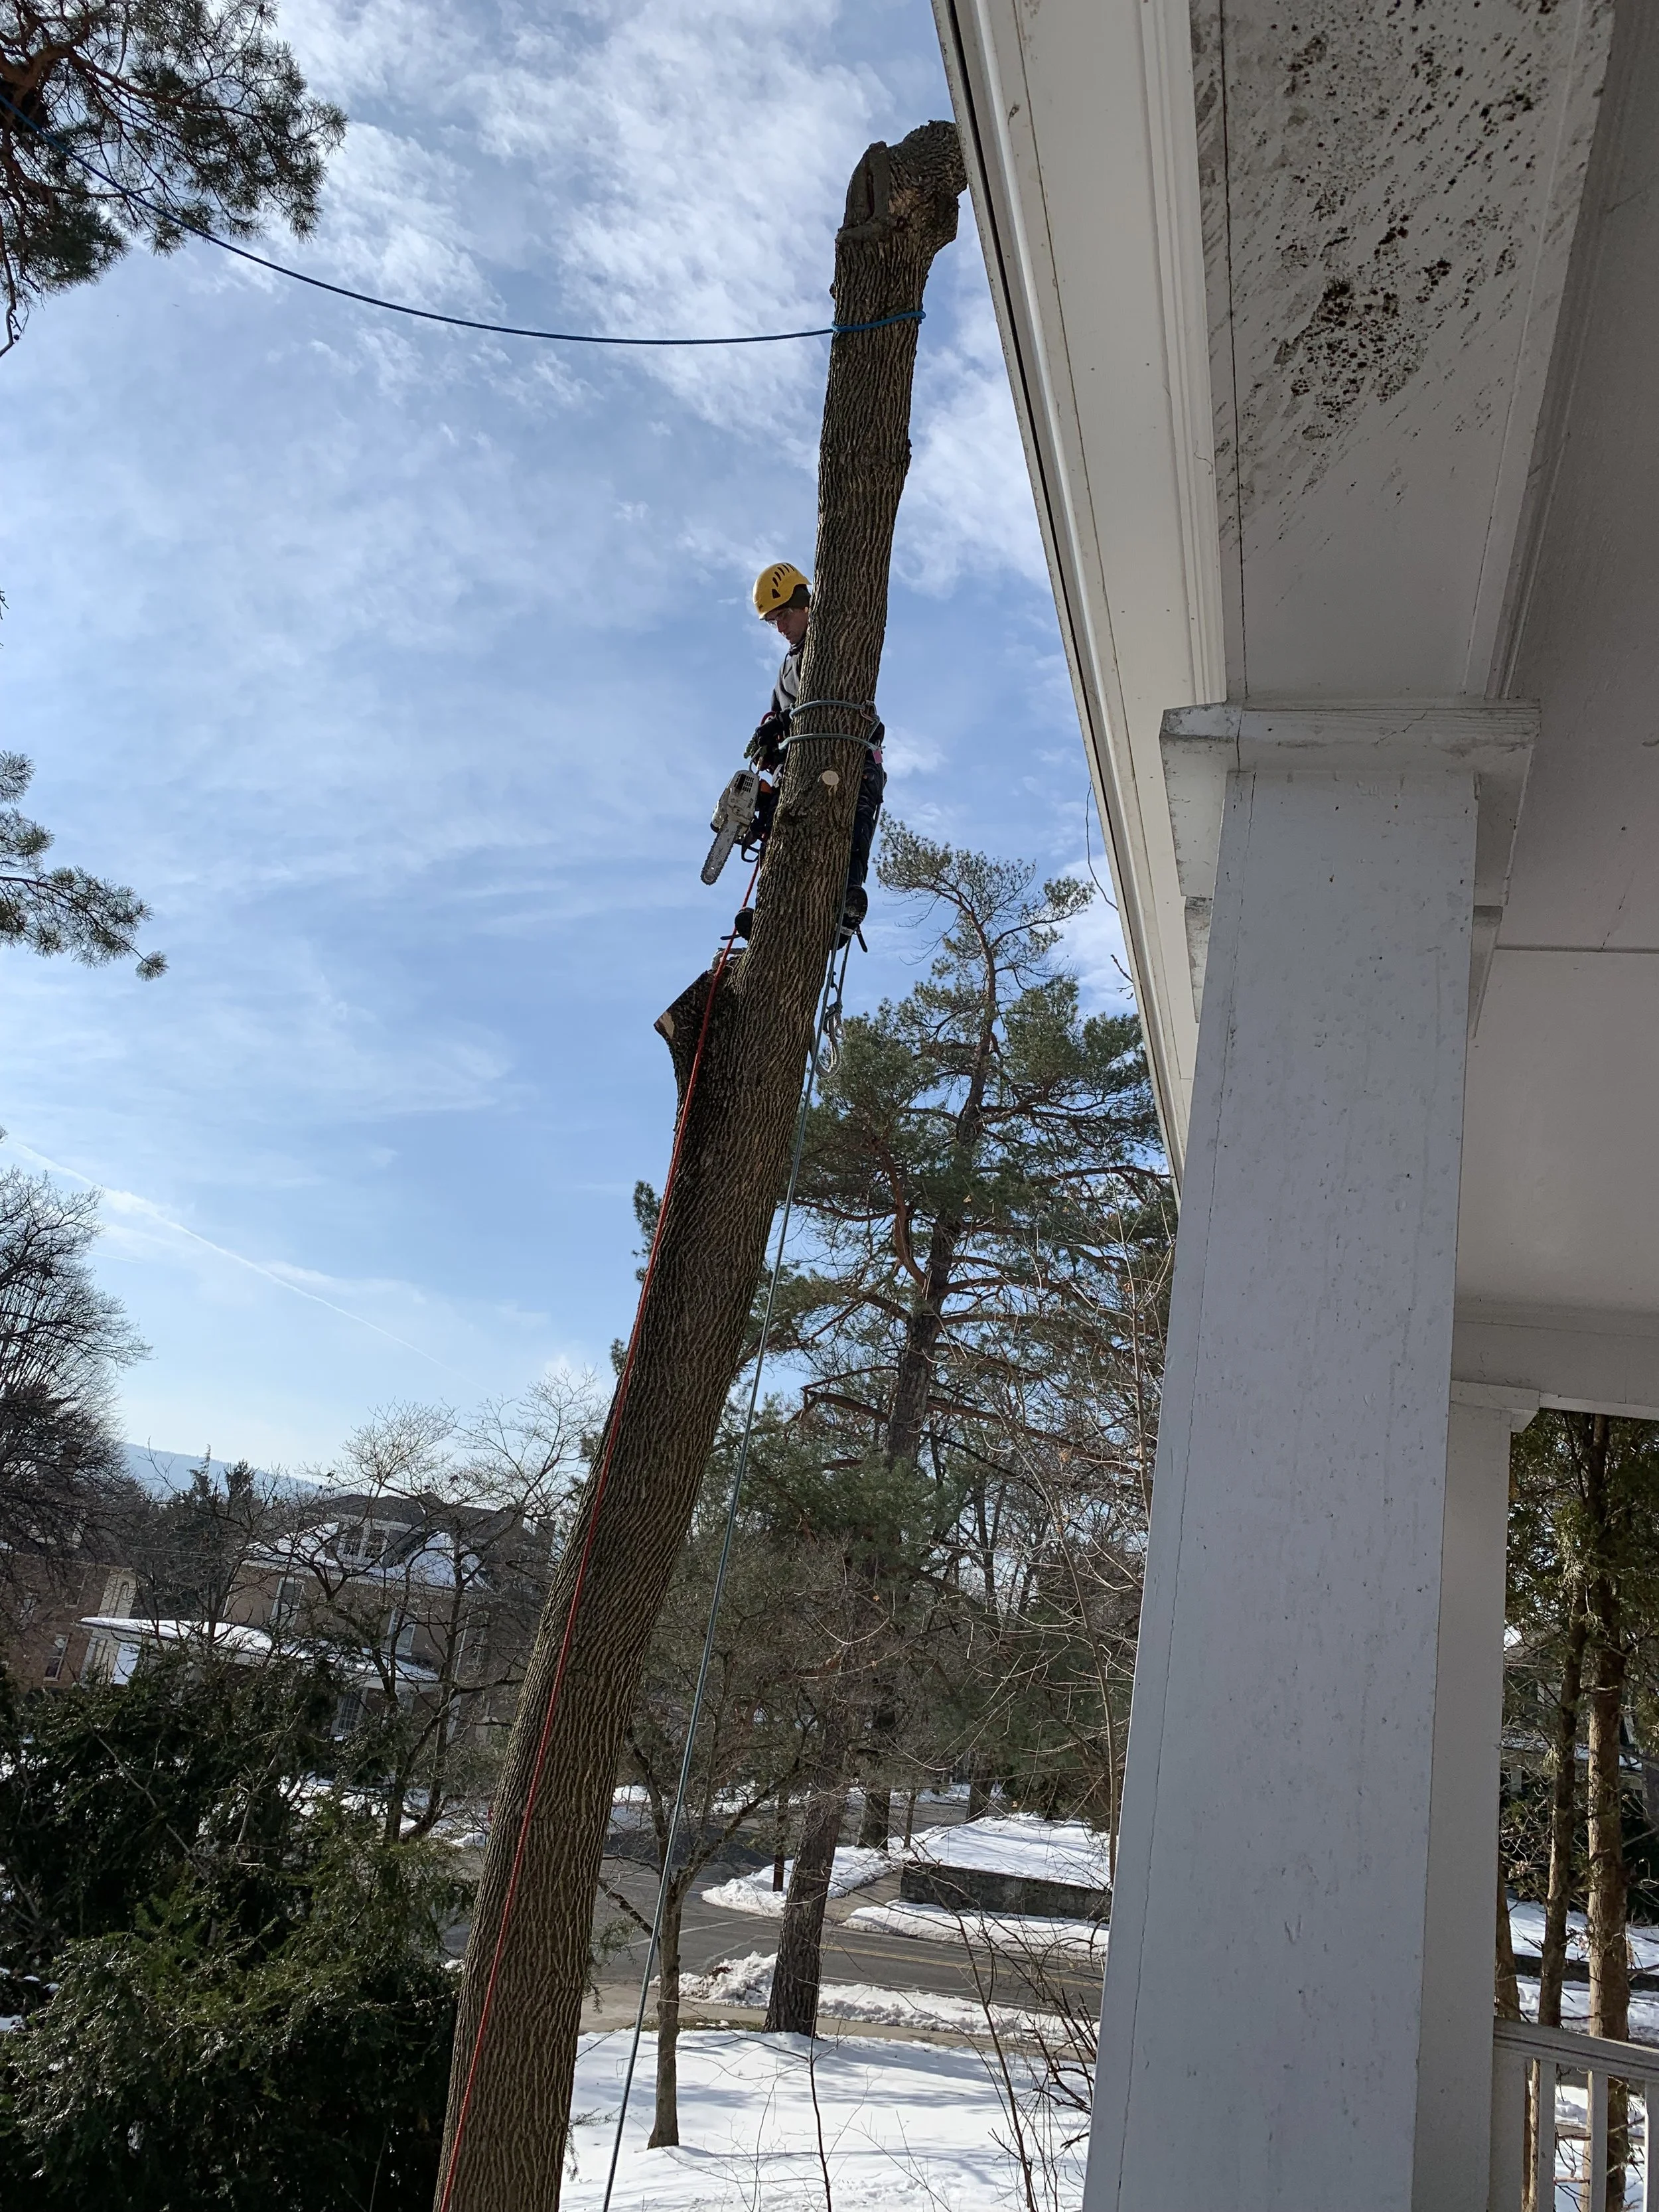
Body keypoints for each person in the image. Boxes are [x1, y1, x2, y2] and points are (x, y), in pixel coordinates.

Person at [736, 561, 885, 948]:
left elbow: (824, 702)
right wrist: (769, 738)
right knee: (782, 829)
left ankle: (845, 908)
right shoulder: (786, 668)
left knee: (852, 832)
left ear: (805, 603)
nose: (781, 627)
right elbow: (778, 715)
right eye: (773, 621)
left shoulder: (834, 642)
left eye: (784, 615)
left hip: (853, 757)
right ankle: (770, 913)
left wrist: (786, 720)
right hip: (798, 769)